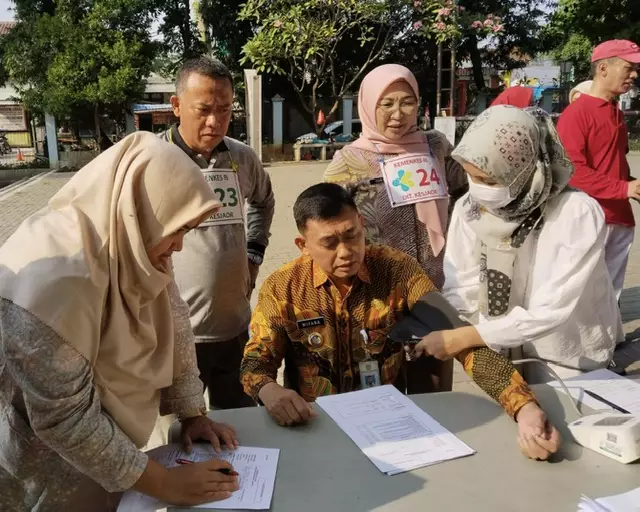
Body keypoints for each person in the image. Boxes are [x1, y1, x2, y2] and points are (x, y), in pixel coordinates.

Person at [0, 133, 241, 510]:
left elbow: (174, 320)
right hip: (46, 466)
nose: (178, 246)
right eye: (177, 230)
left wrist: (192, 412)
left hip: (114, 453)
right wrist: (168, 485)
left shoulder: (133, 238)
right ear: (138, 206)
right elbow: (66, 421)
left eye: (185, 231)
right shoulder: (56, 281)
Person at [240, 182, 561, 461]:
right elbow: (255, 365)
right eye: (329, 243)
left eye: (352, 235)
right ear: (303, 246)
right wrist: (270, 392)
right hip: (315, 425)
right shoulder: (282, 288)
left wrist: (524, 407)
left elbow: (459, 337)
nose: (346, 251)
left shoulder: (397, 270)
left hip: (389, 427)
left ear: (361, 224)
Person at [411, 106, 622, 384]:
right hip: (499, 347)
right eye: (470, 176)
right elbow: (461, 282)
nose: (478, 188)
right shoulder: (471, 208)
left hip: (569, 356)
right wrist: (470, 332)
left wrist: (466, 337)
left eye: (489, 180)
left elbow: (550, 310)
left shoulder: (575, 213)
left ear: (524, 168)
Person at [324, 64, 468, 393]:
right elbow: (325, 223)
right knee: (379, 392)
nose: (397, 114)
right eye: (386, 104)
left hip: (433, 289)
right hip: (377, 296)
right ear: (369, 105)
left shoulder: (436, 146)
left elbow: (464, 189)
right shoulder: (349, 160)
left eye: (407, 102)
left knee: (432, 393)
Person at [161, 56, 275, 410]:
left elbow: (263, 202)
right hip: (175, 335)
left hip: (234, 326)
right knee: (181, 433)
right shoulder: (153, 160)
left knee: (241, 429)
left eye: (225, 110)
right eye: (204, 109)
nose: (215, 121)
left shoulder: (241, 157)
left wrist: (254, 253)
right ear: (177, 106)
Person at [557, 40, 640, 301]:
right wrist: (624, 188)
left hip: (620, 216)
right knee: (581, 295)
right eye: (628, 67)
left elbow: (614, 162)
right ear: (603, 68)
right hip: (589, 218)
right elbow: (574, 171)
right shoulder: (576, 114)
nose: (634, 74)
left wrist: (630, 182)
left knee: (609, 296)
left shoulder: (615, 113)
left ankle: (609, 339)